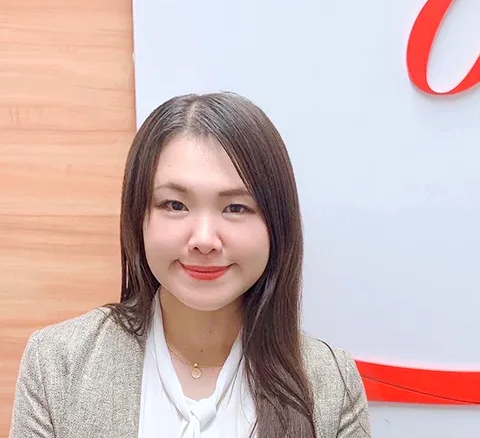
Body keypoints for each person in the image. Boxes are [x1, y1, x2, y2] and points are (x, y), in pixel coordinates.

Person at [9, 92, 371, 438]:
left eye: (236, 207)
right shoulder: (58, 362)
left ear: (277, 224)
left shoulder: (329, 382)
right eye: (175, 205)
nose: (204, 239)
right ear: (137, 217)